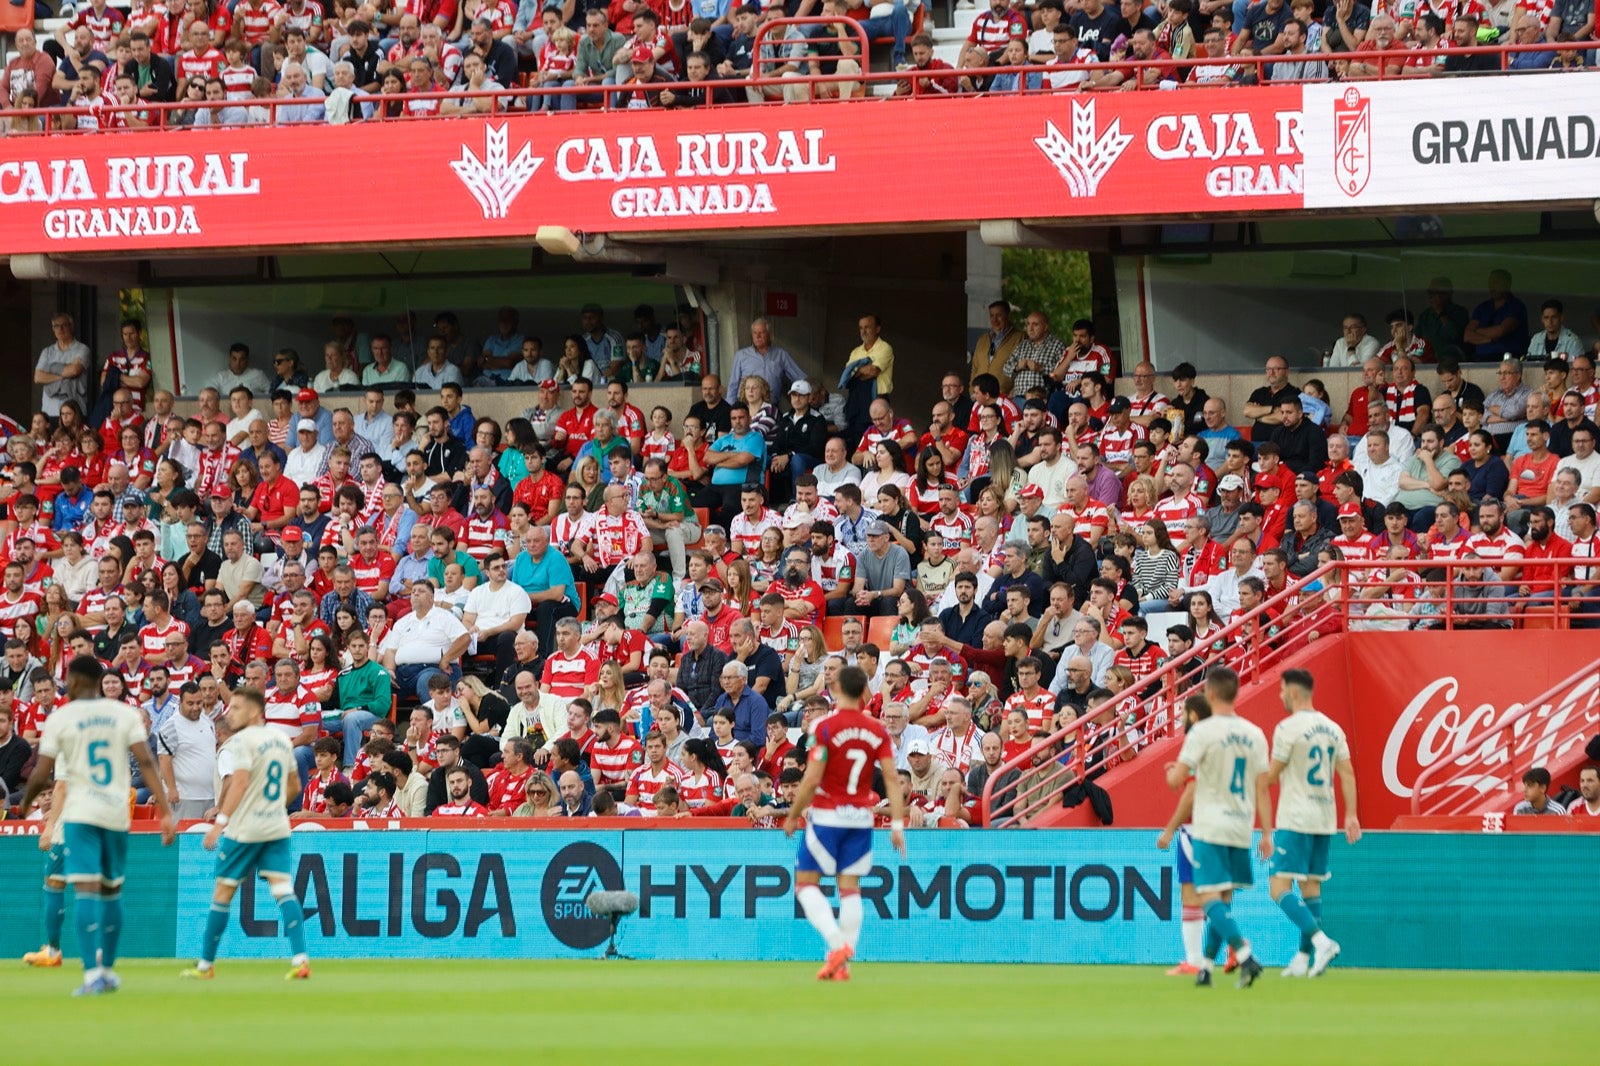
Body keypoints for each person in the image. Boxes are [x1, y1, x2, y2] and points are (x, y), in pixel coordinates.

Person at [21, 655, 176, 996]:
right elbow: (147, 761)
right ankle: (107, 969)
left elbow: (42, 772)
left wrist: (23, 802)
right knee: (111, 892)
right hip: (115, 814)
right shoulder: (123, 714)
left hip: (80, 816)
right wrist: (165, 811)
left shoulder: (62, 718)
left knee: (86, 891)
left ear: (75, 681)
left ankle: (92, 975)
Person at [782, 665, 905, 981]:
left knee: (806, 883)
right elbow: (891, 777)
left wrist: (794, 815)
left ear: (835, 690)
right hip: (861, 818)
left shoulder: (824, 726)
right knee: (849, 887)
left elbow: (810, 778)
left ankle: (838, 945)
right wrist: (896, 825)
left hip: (827, 815)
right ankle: (843, 964)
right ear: (865, 691)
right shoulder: (877, 730)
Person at [179, 688, 310, 981]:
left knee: (223, 893)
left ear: (253, 712)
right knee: (283, 890)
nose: (230, 713)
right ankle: (301, 959)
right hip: (276, 827)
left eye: (236, 708)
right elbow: (293, 787)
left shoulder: (241, 741)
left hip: (245, 829)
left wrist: (220, 822)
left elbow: (238, 782)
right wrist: (272, 806)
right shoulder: (280, 740)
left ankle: (205, 966)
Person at [1163, 666, 1269, 988]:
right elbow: (1263, 787)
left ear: (1209, 694)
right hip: (1241, 824)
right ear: (1235, 694)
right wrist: (1266, 832)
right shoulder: (1254, 733)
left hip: (1209, 824)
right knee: (1222, 900)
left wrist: (1171, 772)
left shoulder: (1202, 732)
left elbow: (1178, 781)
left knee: (1205, 896)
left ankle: (1245, 953)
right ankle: (1206, 966)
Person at [1265, 668, 1359, 978]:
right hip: (1325, 815)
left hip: (1296, 816)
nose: (1279, 697)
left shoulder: (1287, 728)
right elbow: (1346, 773)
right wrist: (1351, 815)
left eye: (1281, 691)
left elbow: (1272, 773)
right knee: (1311, 887)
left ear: (1292, 693)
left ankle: (1321, 942)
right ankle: (1303, 959)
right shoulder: (1332, 728)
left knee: (1278, 886)